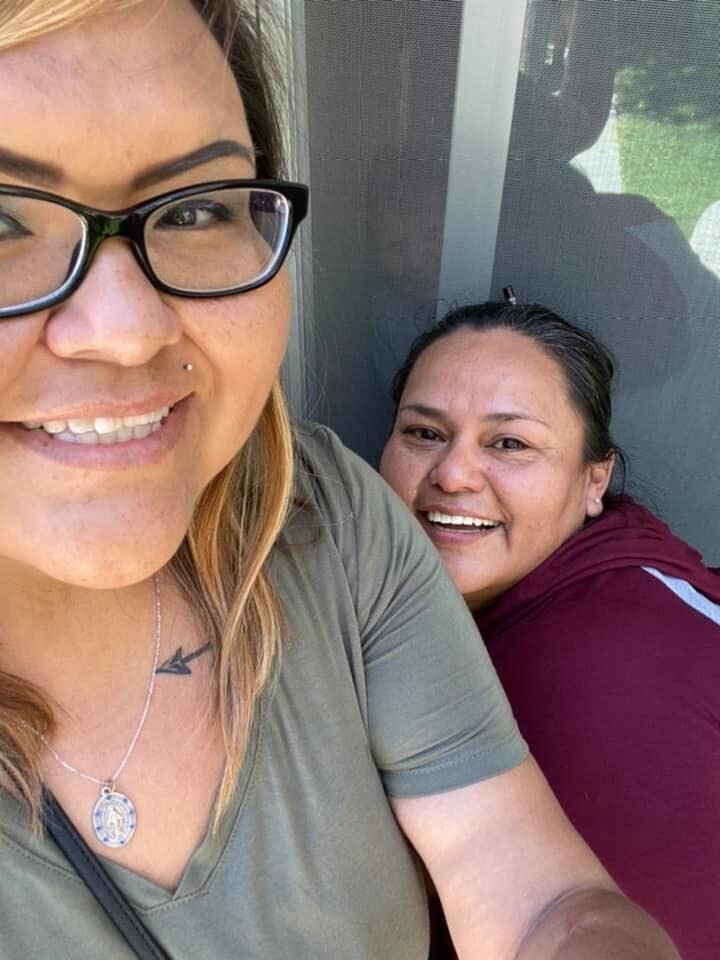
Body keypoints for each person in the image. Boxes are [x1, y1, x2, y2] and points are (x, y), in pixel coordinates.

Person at [0, 3, 681, 958]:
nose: (127, 328)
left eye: (197, 208)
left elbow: (527, 885)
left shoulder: (329, 514)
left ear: (597, 478)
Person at [380, 300, 720, 960]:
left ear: (595, 481)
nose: (453, 474)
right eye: (424, 433)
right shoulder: (591, 578)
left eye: (509, 443)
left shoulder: (596, 668)